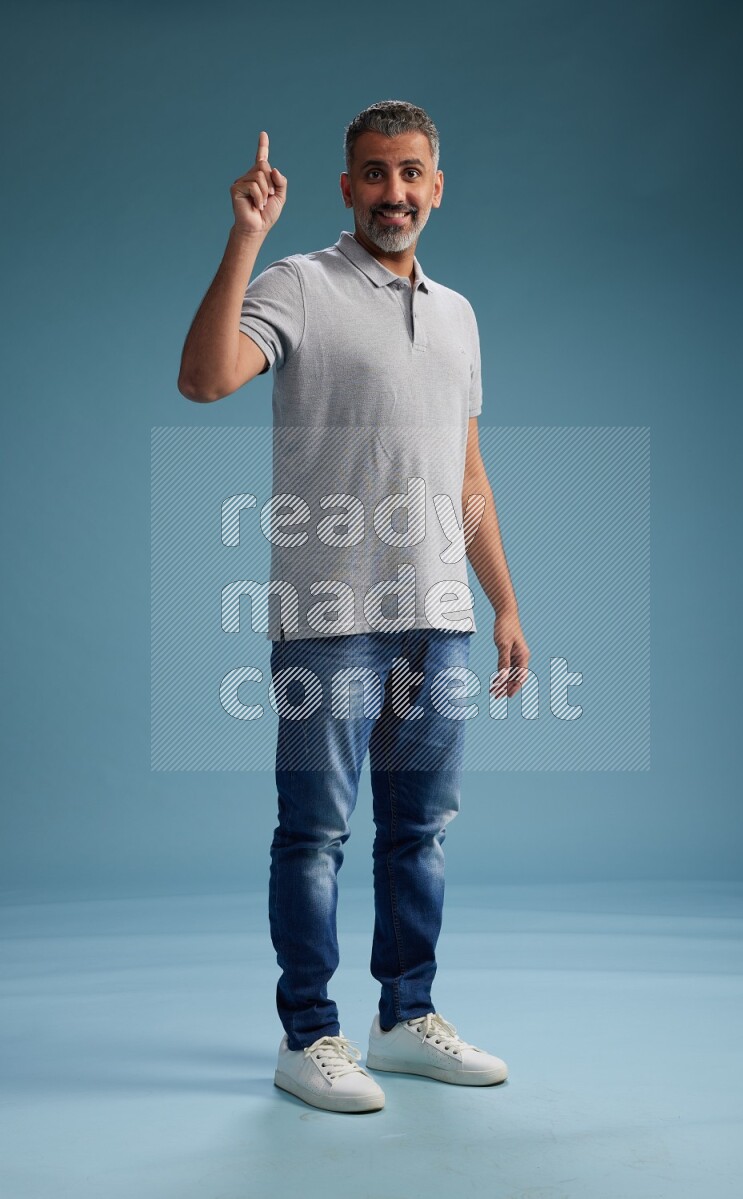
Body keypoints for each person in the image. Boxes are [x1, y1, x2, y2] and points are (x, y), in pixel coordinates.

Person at [178, 100, 530, 1114]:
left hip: (439, 615)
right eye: (373, 174)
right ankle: (309, 1036)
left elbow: (467, 475)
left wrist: (502, 602)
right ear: (346, 187)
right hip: (328, 616)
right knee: (315, 836)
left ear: (436, 183)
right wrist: (245, 236)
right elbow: (203, 379)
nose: (393, 192)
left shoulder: (458, 313)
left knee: (419, 833)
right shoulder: (297, 284)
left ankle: (402, 1017)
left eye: (410, 172)